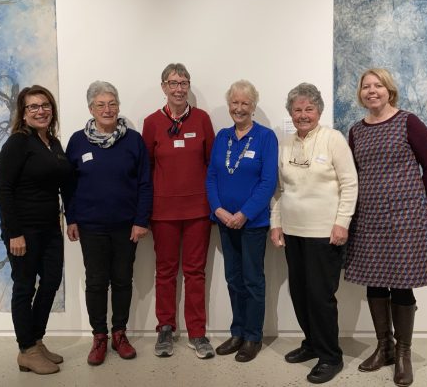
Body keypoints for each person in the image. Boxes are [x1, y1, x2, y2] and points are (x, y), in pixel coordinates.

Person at [344, 68, 427, 387]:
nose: (371, 91)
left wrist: (416, 202)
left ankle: (403, 352)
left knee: (402, 283)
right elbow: (352, 175)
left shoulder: (408, 121)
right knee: (374, 282)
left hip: (404, 218)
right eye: (366, 86)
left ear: (389, 90)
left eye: (378, 85)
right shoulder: (356, 131)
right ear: (360, 93)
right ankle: (383, 347)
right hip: (369, 216)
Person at [270, 83, 358, 384]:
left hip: (325, 233)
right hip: (293, 232)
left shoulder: (333, 139)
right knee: (300, 293)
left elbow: (350, 184)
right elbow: (279, 190)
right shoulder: (285, 144)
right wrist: (276, 223)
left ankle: (331, 356)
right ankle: (312, 343)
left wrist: (342, 223)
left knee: (321, 296)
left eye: (309, 108)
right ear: (290, 114)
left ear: (319, 111)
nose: (303, 114)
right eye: (297, 110)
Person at [63, 81, 152, 365]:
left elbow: (145, 184)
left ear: (119, 106)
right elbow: (68, 185)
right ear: (90, 109)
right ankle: (99, 336)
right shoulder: (77, 141)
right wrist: (72, 218)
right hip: (91, 226)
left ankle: (119, 334)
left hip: (126, 226)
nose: (107, 109)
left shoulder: (134, 140)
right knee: (97, 282)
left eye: (112, 103)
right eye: (100, 104)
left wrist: (141, 221)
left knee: (123, 281)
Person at [0, 85, 72, 375]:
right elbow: (3, 188)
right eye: (33, 107)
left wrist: (71, 218)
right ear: (23, 114)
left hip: (50, 227)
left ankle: (36, 340)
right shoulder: (18, 143)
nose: (41, 111)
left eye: (45, 105)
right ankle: (25, 350)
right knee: (25, 286)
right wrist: (14, 232)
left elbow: (64, 185)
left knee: (51, 282)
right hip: (22, 229)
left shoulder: (53, 143)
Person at [141, 63, 216, 359]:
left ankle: (197, 333)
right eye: (172, 83)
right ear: (163, 87)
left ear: (189, 86)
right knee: (165, 272)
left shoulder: (202, 119)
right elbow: (145, 170)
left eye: (183, 83)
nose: (178, 88)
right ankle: (165, 329)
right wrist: (144, 213)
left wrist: (213, 205)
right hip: (163, 212)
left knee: (195, 272)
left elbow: (211, 165)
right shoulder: (151, 122)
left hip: (198, 210)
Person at [205, 80, 278, 362]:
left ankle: (252, 337)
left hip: (253, 223)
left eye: (244, 103)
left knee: (252, 280)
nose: (239, 108)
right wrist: (219, 210)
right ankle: (236, 332)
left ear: (253, 106)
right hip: (224, 221)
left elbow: (268, 181)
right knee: (233, 278)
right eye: (234, 103)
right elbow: (211, 176)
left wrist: (244, 213)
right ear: (229, 105)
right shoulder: (222, 136)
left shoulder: (265, 137)